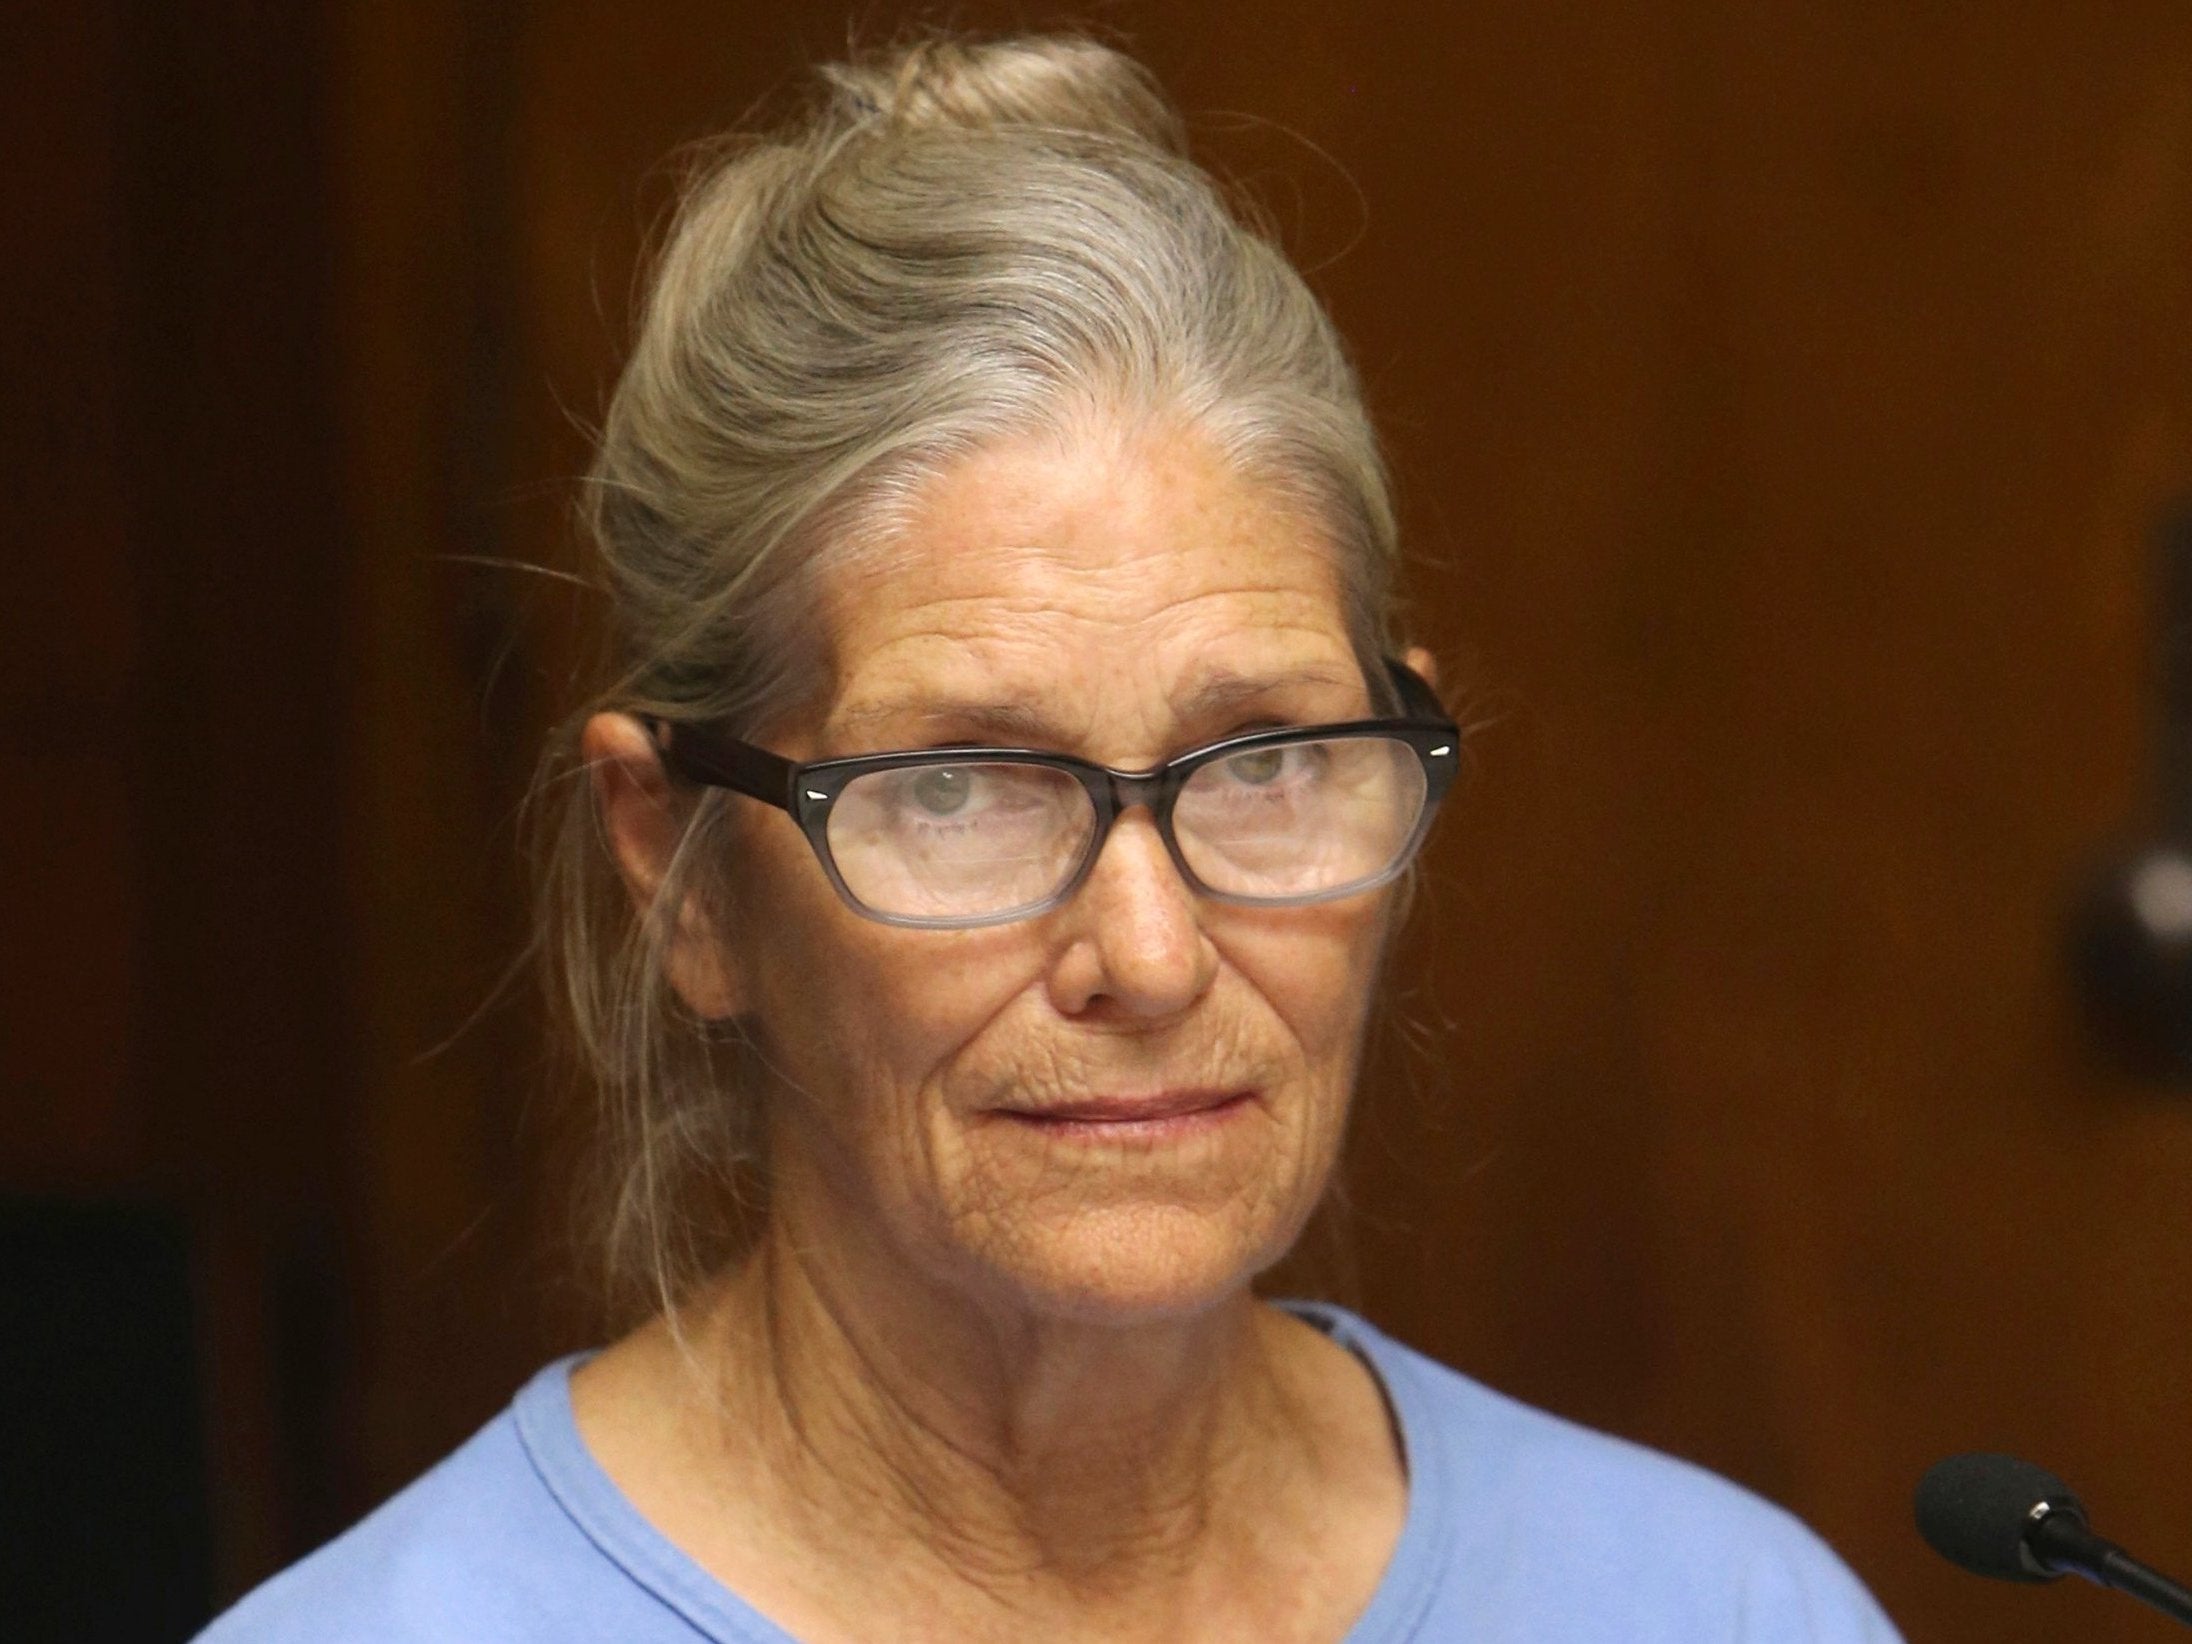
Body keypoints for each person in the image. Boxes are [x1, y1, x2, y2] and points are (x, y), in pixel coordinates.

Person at [200, 32, 1902, 1643]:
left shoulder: (1717, 1606)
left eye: (1262, 761)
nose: (1152, 958)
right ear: (681, 863)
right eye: (956, 788)